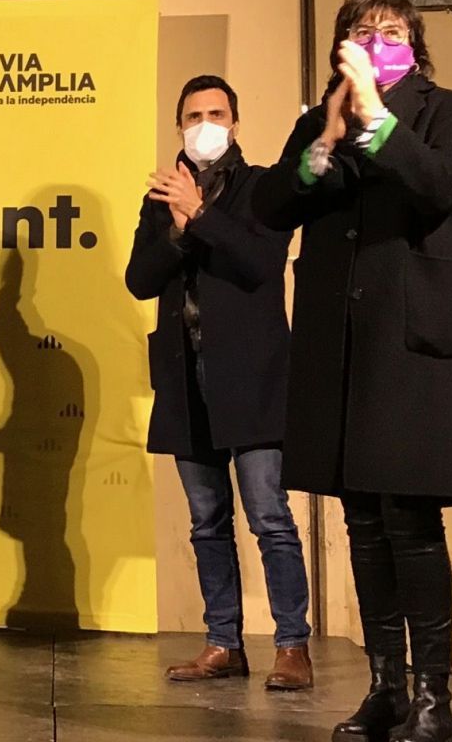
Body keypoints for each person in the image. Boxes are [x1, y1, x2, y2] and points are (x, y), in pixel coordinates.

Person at [256, 0, 452, 742]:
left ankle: (436, 695)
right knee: (361, 520)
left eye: (392, 31)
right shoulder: (322, 119)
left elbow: (437, 187)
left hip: (409, 340)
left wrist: (375, 118)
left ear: (416, 43)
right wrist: (323, 143)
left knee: (410, 516)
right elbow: (273, 206)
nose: (377, 39)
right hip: (338, 341)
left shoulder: (443, 112)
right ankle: (385, 687)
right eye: (363, 32)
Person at [126, 75, 312, 689]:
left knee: (268, 515)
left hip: (251, 377)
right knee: (207, 520)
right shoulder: (161, 195)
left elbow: (261, 262)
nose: (204, 123)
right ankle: (222, 641)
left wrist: (201, 214)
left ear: (235, 120)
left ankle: (292, 645)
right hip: (186, 377)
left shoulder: (260, 187)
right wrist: (177, 227)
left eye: (216, 112)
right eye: (193, 114)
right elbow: (139, 278)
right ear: (178, 125)